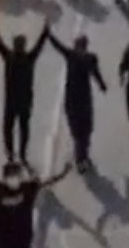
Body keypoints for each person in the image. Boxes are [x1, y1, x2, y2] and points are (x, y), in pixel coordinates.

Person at [0, 13, 50, 164]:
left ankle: (10, 152)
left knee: (8, 128)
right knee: (24, 128)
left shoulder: (9, 57)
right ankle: (22, 153)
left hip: (10, 100)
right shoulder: (29, 58)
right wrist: (46, 30)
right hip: (26, 101)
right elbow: (40, 45)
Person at [46, 28, 107, 167]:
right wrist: (102, 85)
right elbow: (96, 74)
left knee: (77, 130)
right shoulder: (91, 58)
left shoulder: (71, 55)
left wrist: (47, 33)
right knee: (85, 130)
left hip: (71, 99)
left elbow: (58, 46)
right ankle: (82, 156)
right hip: (84, 100)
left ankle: (81, 156)